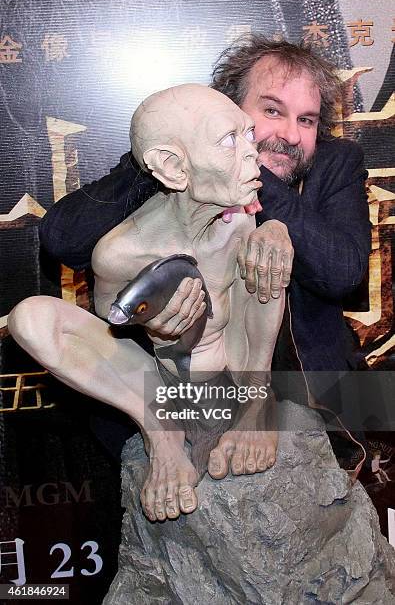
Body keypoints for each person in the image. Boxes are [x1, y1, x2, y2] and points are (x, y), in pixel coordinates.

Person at [39, 35, 371, 424]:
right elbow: (62, 240)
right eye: (272, 110)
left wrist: (251, 177)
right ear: (226, 108)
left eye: (307, 120)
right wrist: (186, 164)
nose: (292, 135)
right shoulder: (177, 157)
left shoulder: (337, 163)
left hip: (310, 386)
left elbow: (343, 272)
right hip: (176, 387)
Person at [9, 84, 284, 521]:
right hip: (165, 383)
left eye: (248, 134)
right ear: (173, 167)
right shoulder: (119, 253)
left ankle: (256, 402)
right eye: (230, 141)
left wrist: (276, 232)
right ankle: (163, 434)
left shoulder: (237, 219)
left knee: (267, 257)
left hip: (236, 368)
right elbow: (116, 330)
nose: (254, 153)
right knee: (31, 319)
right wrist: (159, 331)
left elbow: (255, 296)